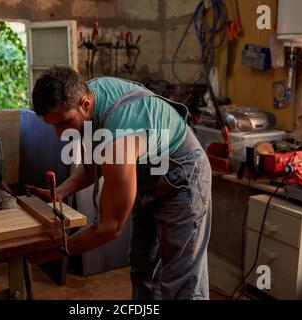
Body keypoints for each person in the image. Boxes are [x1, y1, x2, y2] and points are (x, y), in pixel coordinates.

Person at [25, 66, 212, 300]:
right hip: (148, 172)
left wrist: (55, 251)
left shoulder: (120, 140)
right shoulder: (90, 97)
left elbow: (109, 227)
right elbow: (96, 162)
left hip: (182, 176)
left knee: (181, 279)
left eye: (63, 123)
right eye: (51, 125)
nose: (58, 134)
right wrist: (61, 192)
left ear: (84, 104)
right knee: (143, 265)